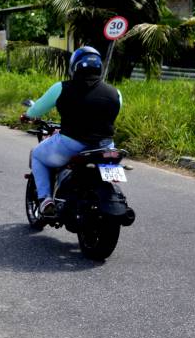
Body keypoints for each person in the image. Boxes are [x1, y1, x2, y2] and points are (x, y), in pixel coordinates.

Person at [21, 46, 122, 217]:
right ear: (99, 66)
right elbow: (114, 113)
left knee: (37, 154)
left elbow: (37, 109)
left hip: (71, 144)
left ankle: (45, 199)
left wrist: (27, 115)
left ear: (74, 66)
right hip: (105, 146)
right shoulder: (115, 93)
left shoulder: (62, 87)